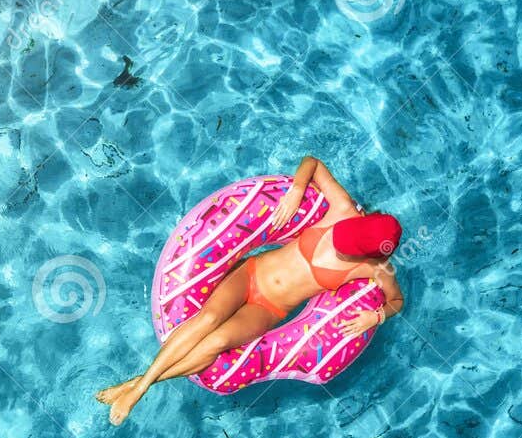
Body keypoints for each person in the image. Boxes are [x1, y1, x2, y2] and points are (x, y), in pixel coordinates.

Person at [98, 156, 405, 424]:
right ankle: (138, 390)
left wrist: (376, 317)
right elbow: (312, 162)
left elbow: (397, 300)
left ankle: (138, 385)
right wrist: (297, 190)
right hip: (251, 273)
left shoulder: (374, 269)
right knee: (207, 320)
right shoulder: (343, 209)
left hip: (269, 310)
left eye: (349, 247)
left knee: (218, 340)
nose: (340, 242)